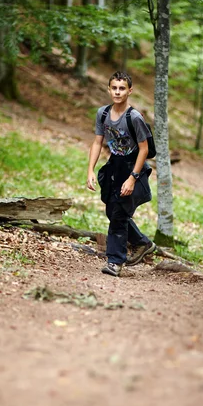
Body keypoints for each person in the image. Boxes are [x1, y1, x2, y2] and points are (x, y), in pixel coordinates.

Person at [87, 71, 156, 277]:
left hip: (132, 166)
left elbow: (144, 150)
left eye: (122, 88)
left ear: (129, 91)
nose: (117, 92)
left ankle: (115, 261)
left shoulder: (134, 117)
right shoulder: (103, 114)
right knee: (112, 210)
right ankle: (142, 243)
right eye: (114, 88)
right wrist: (90, 169)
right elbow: (98, 141)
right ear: (109, 90)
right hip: (114, 165)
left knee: (118, 215)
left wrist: (133, 178)